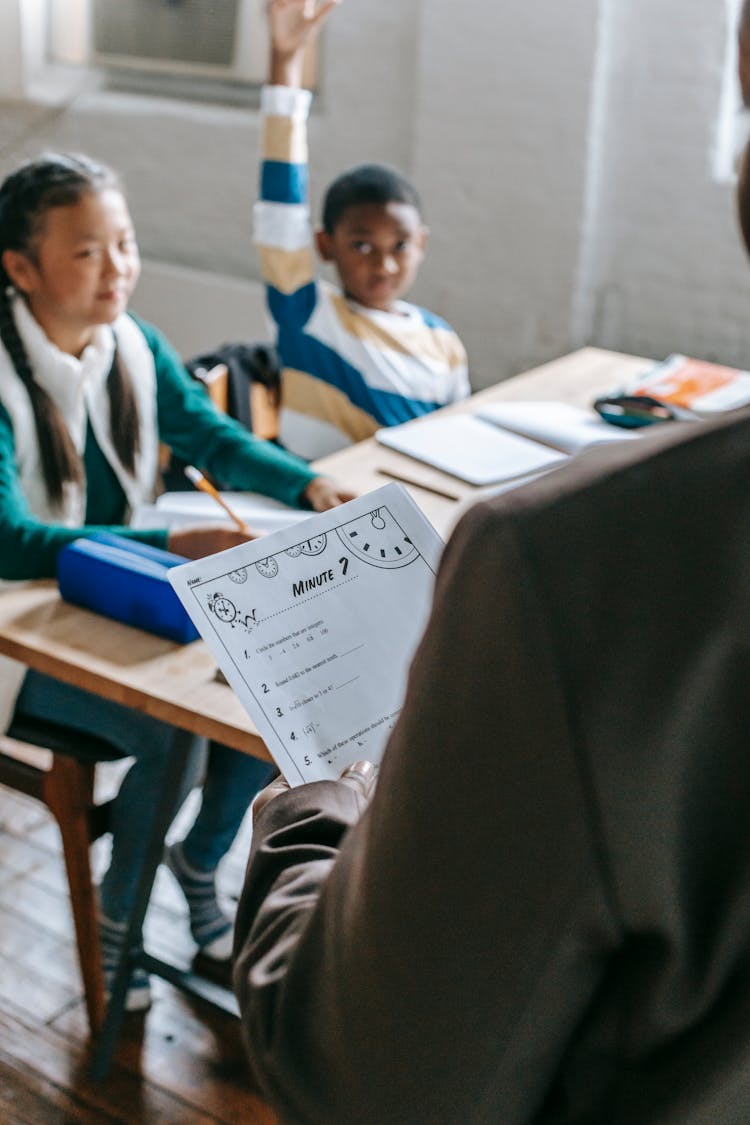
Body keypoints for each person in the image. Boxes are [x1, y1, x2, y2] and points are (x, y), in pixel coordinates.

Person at [0, 151, 353, 1010]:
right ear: (19, 267)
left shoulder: (130, 342)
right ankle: (120, 922)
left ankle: (198, 861)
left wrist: (307, 482)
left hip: (122, 594)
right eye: (87, 251)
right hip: (21, 626)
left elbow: (209, 436)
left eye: (125, 242)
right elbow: (9, 542)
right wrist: (153, 539)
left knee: (260, 688)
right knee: (173, 732)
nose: (118, 267)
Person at [255, 0, 470, 448]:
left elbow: (454, 444)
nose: (385, 265)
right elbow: (281, 210)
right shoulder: (310, 317)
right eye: (362, 245)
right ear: (325, 244)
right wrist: (286, 62)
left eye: (400, 246)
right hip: (329, 504)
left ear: (423, 244)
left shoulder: (443, 343)